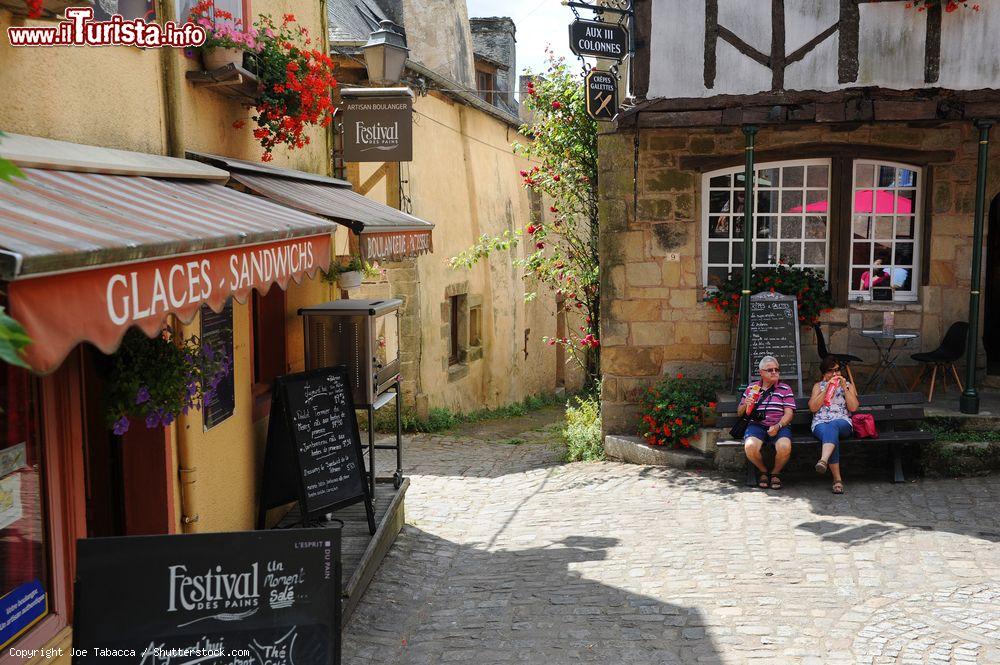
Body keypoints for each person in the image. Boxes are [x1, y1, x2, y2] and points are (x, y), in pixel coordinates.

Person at [739, 356, 797, 490]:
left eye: (777, 369)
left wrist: (778, 426)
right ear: (761, 373)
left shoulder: (785, 388)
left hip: (780, 425)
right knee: (750, 446)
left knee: (784, 446)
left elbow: (789, 413)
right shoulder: (752, 388)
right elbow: (739, 412)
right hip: (756, 425)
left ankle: (775, 473)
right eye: (770, 370)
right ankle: (763, 471)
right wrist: (745, 405)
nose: (774, 372)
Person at [808, 356, 860, 494]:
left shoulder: (848, 385)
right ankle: (837, 480)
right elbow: (813, 408)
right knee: (830, 435)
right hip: (820, 423)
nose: (835, 374)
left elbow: (854, 408)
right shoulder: (818, 386)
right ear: (824, 374)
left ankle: (823, 460)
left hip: (842, 422)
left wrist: (844, 388)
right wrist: (827, 389)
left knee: (833, 426)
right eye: (831, 371)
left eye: (837, 370)